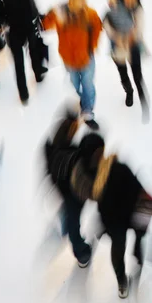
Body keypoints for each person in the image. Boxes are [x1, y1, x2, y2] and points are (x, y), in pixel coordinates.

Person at [70, 133, 149, 298]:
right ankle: (136, 263)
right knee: (135, 243)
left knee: (118, 251)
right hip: (130, 214)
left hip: (112, 222)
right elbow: (137, 187)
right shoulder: (117, 168)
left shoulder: (88, 178)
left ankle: (122, 283)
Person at [43, 0, 102, 129]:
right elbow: (44, 25)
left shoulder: (90, 13)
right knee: (75, 84)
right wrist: (52, 12)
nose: (83, 1)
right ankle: (84, 100)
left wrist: (92, 46)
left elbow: (97, 28)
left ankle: (88, 112)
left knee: (88, 84)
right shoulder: (60, 13)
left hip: (86, 58)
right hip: (69, 59)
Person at [43, 110, 93, 266]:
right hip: (71, 191)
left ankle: (64, 227)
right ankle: (81, 254)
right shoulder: (71, 153)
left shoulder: (53, 146)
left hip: (63, 187)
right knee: (73, 220)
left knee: (68, 214)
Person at [102, 0, 148, 116]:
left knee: (137, 74)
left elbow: (137, 28)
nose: (110, 2)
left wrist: (127, 37)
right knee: (123, 74)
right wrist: (118, 37)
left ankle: (142, 95)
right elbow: (107, 28)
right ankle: (129, 91)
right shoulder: (108, 14)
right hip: (117, 51)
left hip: (132, 48)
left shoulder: (130, 11)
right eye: (109, 0)